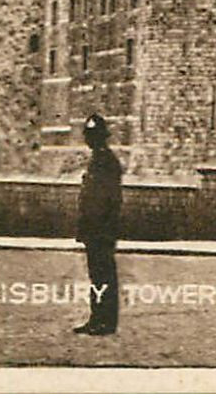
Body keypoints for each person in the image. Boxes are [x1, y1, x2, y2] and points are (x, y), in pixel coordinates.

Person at [74, 113, 122, 336]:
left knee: (103, 276)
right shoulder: (99, 160)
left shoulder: (106, 162)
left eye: (92, 135)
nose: (89, 139)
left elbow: (109, 199)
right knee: (98, 277)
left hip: (101, 230)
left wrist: (101, 228)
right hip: (95, 230)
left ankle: (105, 320)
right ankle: (98, 318)